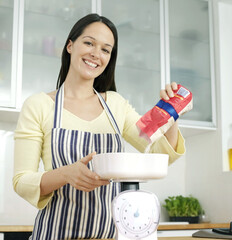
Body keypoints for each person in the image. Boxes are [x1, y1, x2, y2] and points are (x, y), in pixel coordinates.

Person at [13, 13, 185, 240]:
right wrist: (66, 174)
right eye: (89, 43)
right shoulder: (39, 105)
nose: (96, 54)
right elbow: (21, 181)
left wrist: (171, 112)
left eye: (105, 49)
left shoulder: (116, 105)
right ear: (70, 45)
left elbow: (160, 154)